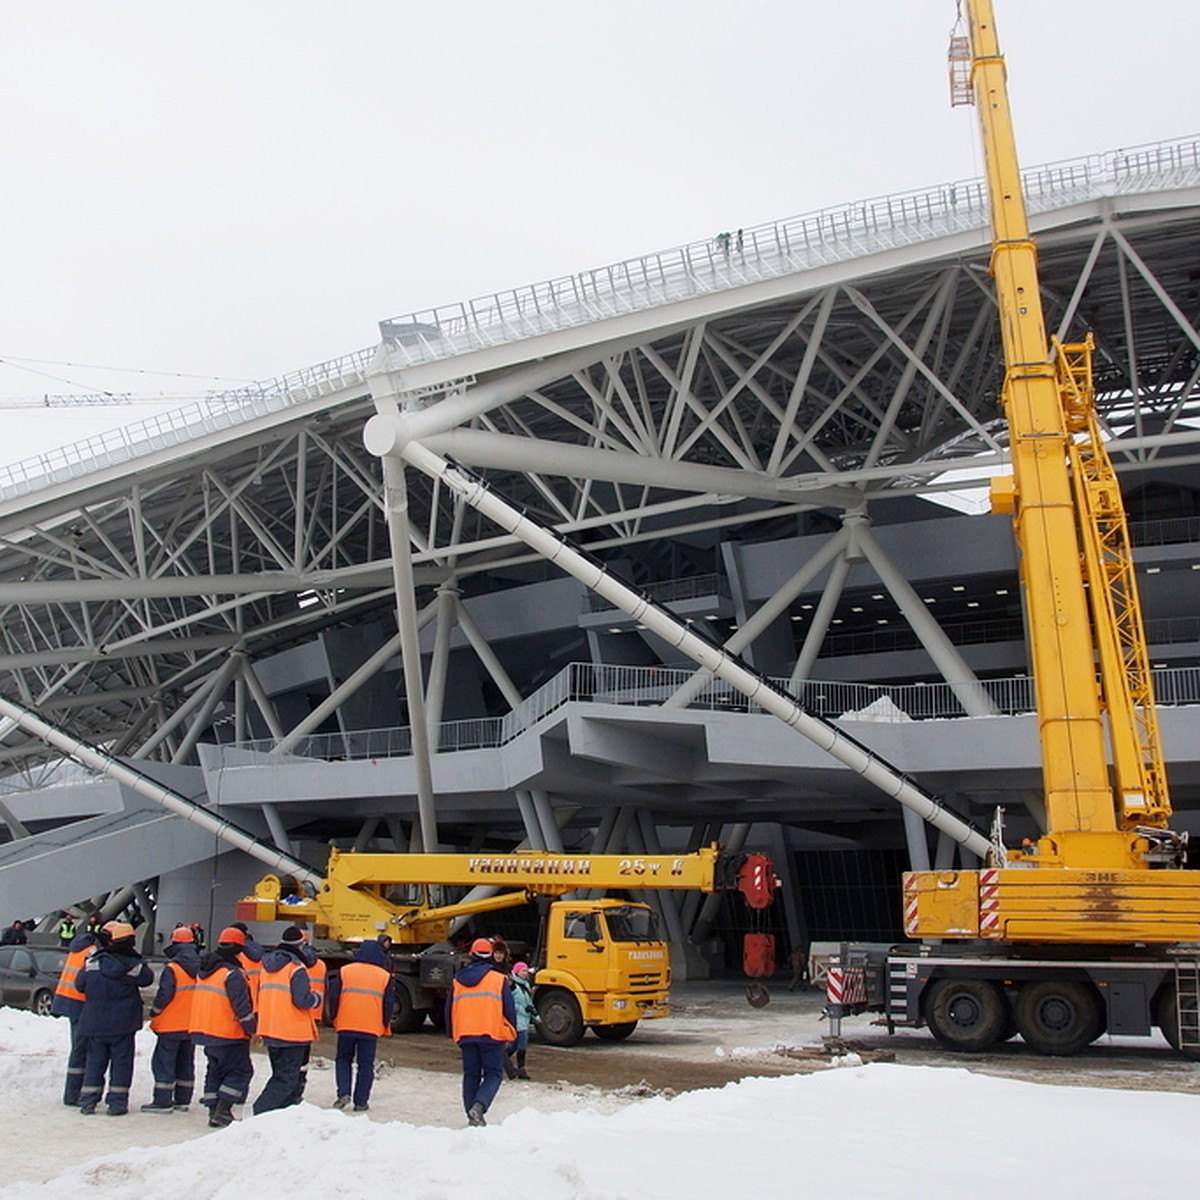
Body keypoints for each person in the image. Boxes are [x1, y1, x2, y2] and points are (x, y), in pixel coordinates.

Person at [76, 921, 153, 1115]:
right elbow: (148, 979)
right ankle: (117, 1104)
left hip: (94, 1022)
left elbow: (80, 984)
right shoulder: (134, 965)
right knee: (121, 1064)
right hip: (123, 1024)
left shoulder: (93, 961)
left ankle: (88, 1101)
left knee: (94, 1062)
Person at [446, 936, 517, 1128]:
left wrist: (452, 1033)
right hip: (491, 1034)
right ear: (491, 955)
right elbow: (509, 1009)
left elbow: (449, 1008)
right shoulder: (498, 979)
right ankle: (478, 1107)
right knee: (493, 1074)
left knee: (471, 1075)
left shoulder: (457, 980)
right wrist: (512, 1033)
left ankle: (472, 1115)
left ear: (471, 954)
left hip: (466, 1034)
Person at [190, 927, 257, 1128]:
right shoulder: (232, 973)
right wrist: (251, 1028)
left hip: (205, 1030)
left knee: (215, 1070)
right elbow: (241, 1007)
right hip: (228, 1032)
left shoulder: (205, 970)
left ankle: (213, 1109)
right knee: (241, 1071)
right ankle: (223, 1110)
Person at [251, 926, 321, 1115]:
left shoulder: (266, 966)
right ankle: (261, 1112)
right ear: (300, 945)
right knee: (287, 1079)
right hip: (292, 1032)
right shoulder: (296, 969)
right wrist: (317, 998)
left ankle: (283, 1115)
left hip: (271, 1029)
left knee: (281, 1075)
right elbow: (302, 1000)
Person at [328, 939, 394, 1112]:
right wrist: (385, 1023)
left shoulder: (345, 971)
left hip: (346, 1023)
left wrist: (334, 1017)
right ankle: (361, 1101)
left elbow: (334, 997)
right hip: (371, 1027)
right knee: (366, 1065)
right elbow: (388, 1004)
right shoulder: (384, 976)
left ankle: (343, 1093)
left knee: (343, 1059)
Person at [141, 926, 201, 1113]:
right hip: (191, 1024)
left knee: (164, 1062)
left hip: (170, 1024)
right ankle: (183, 1099)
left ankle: (163, 1100)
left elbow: (165, 994)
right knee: (186, 1061)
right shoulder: (202, 967)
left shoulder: (173, 968)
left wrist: (155, 1011)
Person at [50, 921, 107, 1106]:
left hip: (68, 1000)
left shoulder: (78, 947)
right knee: (82, 1049)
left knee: (77, 1047)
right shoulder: (92, 952)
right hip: (81, 1003)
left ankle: (72, 1093)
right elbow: (90, 980)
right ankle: (75, 1093)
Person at [505, 961, 538, 1081]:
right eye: (523, 971)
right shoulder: (513, 985)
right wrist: (524, 1009)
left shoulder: (525, 985)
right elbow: (511, 1003)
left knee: (514, 1046)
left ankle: (501, 1062)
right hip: (517, 1020)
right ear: (517, 972)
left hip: (523, 1020)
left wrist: (536, 1016)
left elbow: (528, 1002)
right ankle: (520, 1069)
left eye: (526, 971)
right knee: (521, 1045)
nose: (525, 973)